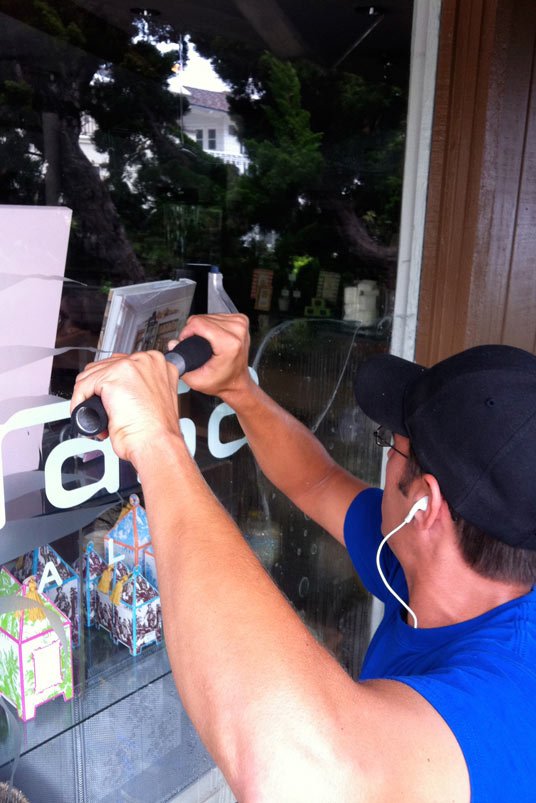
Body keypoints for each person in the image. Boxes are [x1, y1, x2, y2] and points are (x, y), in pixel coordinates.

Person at [71, 313, 536, 803]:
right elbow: (318, 481)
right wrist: (239, 389)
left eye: (391, 445)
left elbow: (292, 778)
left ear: (424, 505)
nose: (385, 458)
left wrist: (156, 443)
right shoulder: (441, 572)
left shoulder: (508, 703)